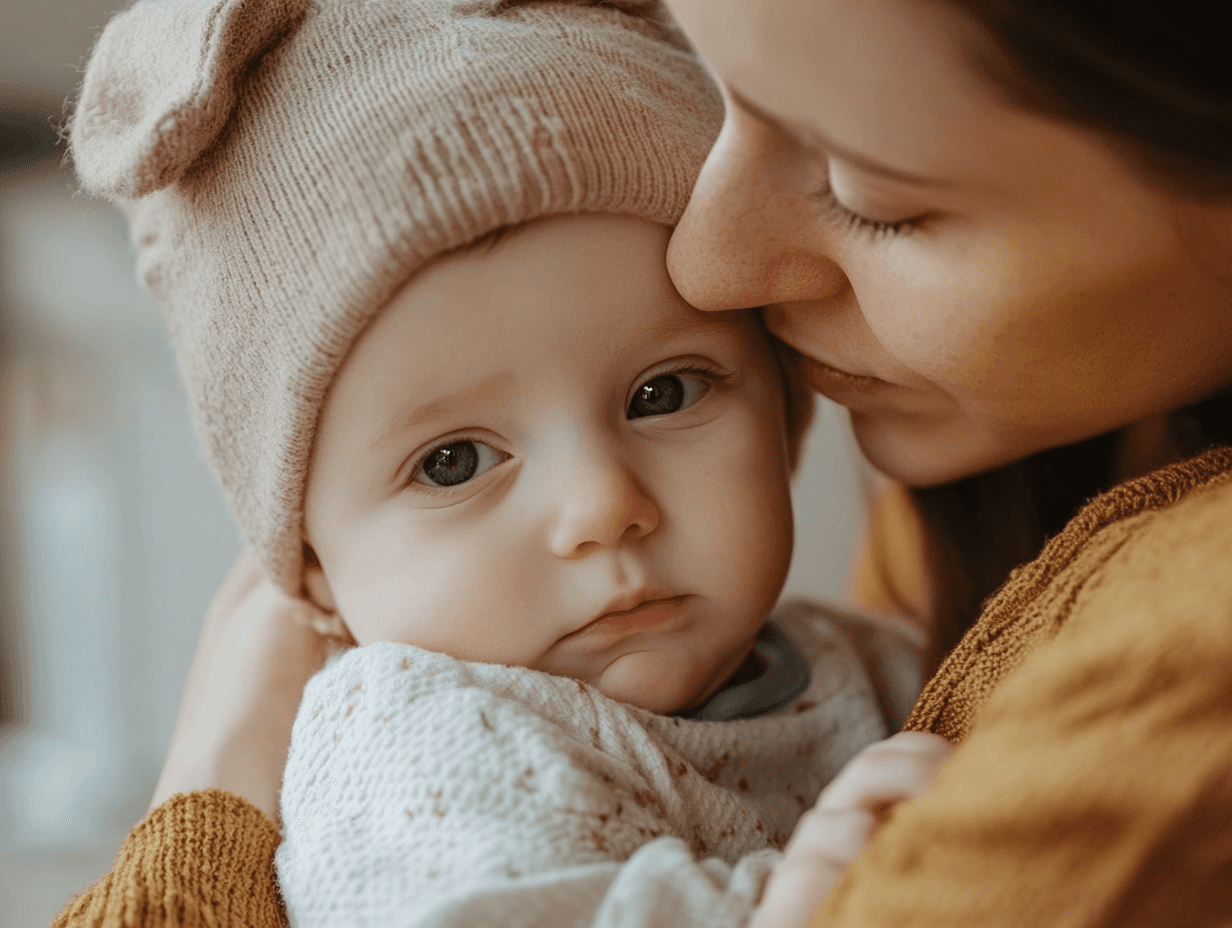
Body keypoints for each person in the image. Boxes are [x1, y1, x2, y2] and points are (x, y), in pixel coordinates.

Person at [55, 0, 937, 925]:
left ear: (783, 401)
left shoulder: (869, 660)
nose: (601, 504)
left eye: (664, 394)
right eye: (453, 462)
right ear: (313, 570)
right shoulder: (416, 737)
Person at [659, 0, 1232, 923]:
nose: (704, 264)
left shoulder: (1184, 668)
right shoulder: (1024, 482)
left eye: (871, 200)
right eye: (715, 97)